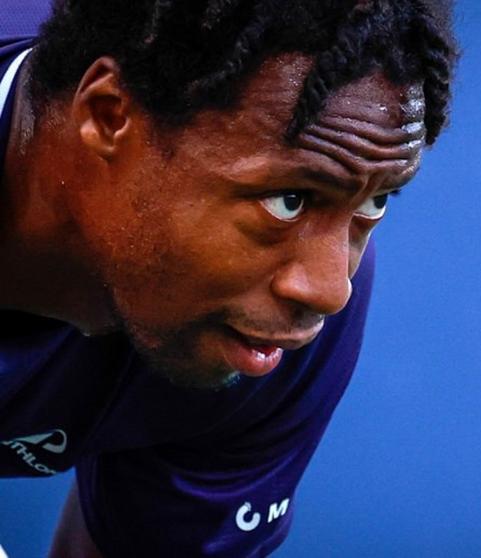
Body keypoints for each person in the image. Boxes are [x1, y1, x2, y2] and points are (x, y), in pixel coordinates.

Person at [0, 1, 457, 556]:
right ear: (108, 115)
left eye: (376, 201)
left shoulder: (266, 329)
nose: (329, 289)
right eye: (288, 201)